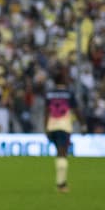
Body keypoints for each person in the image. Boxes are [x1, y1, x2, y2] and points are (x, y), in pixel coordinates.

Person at [44, 64, 75, 193]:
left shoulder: (49, 94)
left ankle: (61, 183)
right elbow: (76, 109)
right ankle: (61, 184)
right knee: (63, 154)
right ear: (62, 80)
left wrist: (45, 127)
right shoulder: (68, 93)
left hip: (51, 126)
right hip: (64, 125)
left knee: (59, 153)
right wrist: (84, 124)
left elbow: (46, 112)